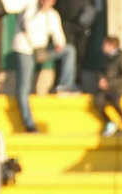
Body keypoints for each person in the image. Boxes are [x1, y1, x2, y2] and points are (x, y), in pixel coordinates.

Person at [12, 0, 76, 134]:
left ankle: (64, 86)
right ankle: (29, 123)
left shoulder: (53, 15)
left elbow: (59, 34)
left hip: (42, 49)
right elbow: (28, 26)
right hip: (25, 49)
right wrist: (40, 11)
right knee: (24, 86)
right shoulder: (30, 9)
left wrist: (59, 44)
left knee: (69, 51)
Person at [94, 36, 122, 136]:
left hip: (118, 87)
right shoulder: (105, 58)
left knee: (116, 101)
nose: (103, 47)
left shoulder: (121, 58)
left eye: (105, 44)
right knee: (98, 101)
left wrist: (110, 83)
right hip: (107, 87)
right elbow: (101, 71)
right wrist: (101, 80)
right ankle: (110, 123)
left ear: (112, 46)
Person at [55, 0, 95, 78]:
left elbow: (92, 6)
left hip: (82, 26)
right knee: (67, 51)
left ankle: (77, 79)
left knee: (80, 53)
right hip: (66, 24)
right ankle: (62, 80)